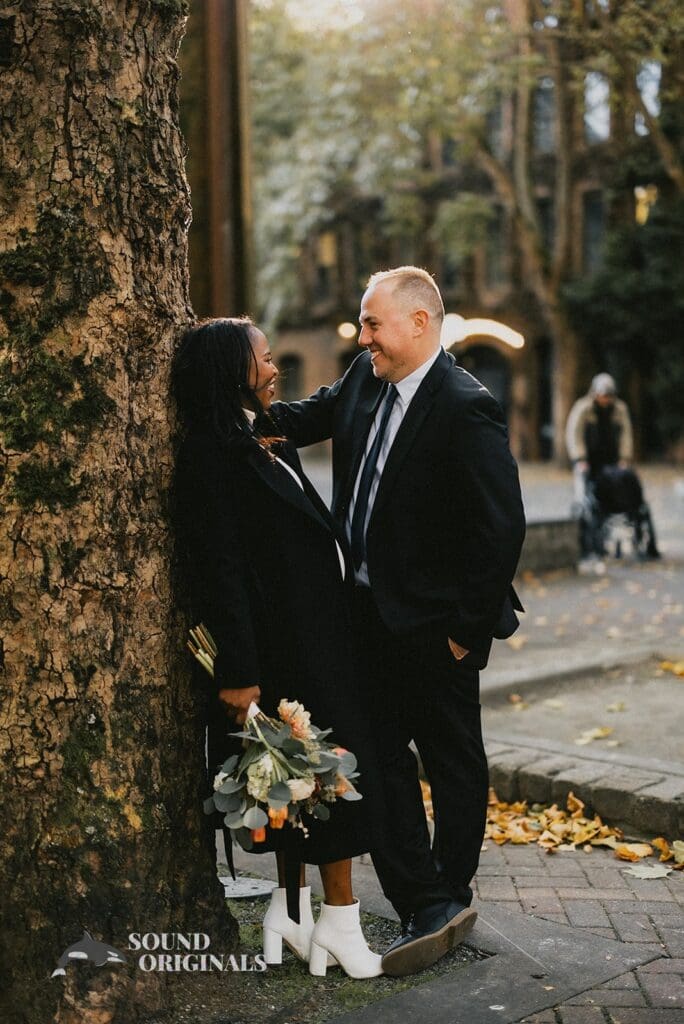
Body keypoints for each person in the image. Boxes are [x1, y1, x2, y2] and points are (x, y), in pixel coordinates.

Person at [268, 267, 526, 976]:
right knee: (377, 759)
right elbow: (304, 417)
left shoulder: (465, 406)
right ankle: (422, 899)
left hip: (437, 625)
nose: (364, 335)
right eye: (363, 323)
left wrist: (464, 632)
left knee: (452, 761)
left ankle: (451, 891)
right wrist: (241, 416)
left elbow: (501, 528)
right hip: (364, 617)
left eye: (374, 322)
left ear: (420, 323)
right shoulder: (361, 376)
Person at [172, 317, 382, 979]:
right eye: (264, 359)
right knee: (325, 781)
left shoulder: (262, 434)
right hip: (277, 652)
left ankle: (289, 914)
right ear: (234, 370)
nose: (274, 369)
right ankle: (342, 924)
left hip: (315, 638)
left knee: (296, 786)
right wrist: (239, 672)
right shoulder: (210, 454)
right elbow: (221, 569)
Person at [566, 373, 659, 560]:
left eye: (609, 395)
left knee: (628, 478)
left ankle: (647, 542)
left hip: (613, 461)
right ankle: (591, 545)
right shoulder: (583, 408)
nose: (606, 399)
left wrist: (625, 458)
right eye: (603, 395)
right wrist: (580, 459)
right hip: (591, 462)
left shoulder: (620, 409)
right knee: (592, 491)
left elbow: (626, 435)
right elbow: (574, 434)